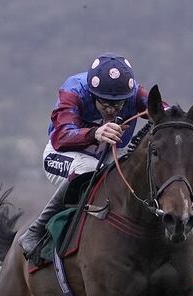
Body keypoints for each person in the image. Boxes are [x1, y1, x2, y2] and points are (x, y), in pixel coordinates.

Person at [18, 53, 149, 262]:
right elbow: (61, 137)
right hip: (62, 154)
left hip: (106, 157)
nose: (110, 109)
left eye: (117, 104)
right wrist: (94, 133)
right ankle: (36, 231)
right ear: (92, 94)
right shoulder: (73, 90)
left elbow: (164, 110)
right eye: (105, 103)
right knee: (88, 171)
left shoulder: (135, 93)